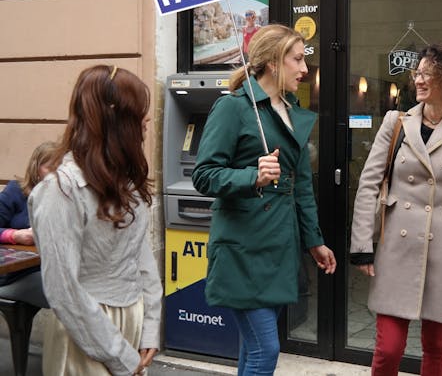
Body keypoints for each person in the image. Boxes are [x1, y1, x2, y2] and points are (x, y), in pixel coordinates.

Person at [192, 24, 336, 376]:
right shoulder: (233, 108)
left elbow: (301, 185)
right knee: (265, 350)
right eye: (297, 59)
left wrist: (314, 240)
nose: (305, 69)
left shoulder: (289, 109)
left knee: (254, 347)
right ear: (273, 62)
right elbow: (204, 175)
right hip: (243, 249)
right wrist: (251, 176)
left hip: (279, 248)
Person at [350, 43, 442, 376]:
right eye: (418, 72)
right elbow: (368, 185)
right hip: (396, 249)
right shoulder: (396, 122)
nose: (419, 79)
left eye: (428, 73)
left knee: (436, 347)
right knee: (388, 348)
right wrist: (362, 246)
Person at [28, 65, 162, 376]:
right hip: (86, 334)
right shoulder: (61, 191)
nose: (146, 120)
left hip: (130, 322)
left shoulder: (127, 183)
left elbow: (140, 257)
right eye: (137, 113)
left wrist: (151, 326)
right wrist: (120, 356)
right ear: (114, 122)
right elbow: (64, 290)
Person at [0, 140, 57, 308]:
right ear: (36, 168)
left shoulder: (65, 199)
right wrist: (14, 235)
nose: (56, 175)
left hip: (48, 269)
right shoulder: (16, 191)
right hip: (15, 275)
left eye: (61, 169)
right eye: (51, 168)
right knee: (66, 296)